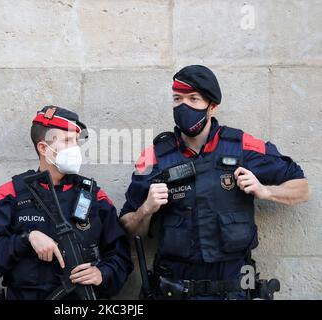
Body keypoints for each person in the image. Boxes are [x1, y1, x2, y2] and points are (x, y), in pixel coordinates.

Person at [119, 65, 311, 300]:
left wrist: (265, 191)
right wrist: (146, 210)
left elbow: (302, 188)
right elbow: (128, 227)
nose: (184, 106)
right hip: (174, 290)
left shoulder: (242, 146)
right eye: (177, 99)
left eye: (193, 99)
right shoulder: (154, 156)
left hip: (233, 289)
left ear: (212, 106)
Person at [0, 105, 133, 300]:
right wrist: (26, 239)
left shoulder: (94, 196)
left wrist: (102, 274)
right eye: (67, 141)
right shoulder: (9, 195)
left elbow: (121, 255)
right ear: (43, 148)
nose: (75, 148)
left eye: (76, 141)